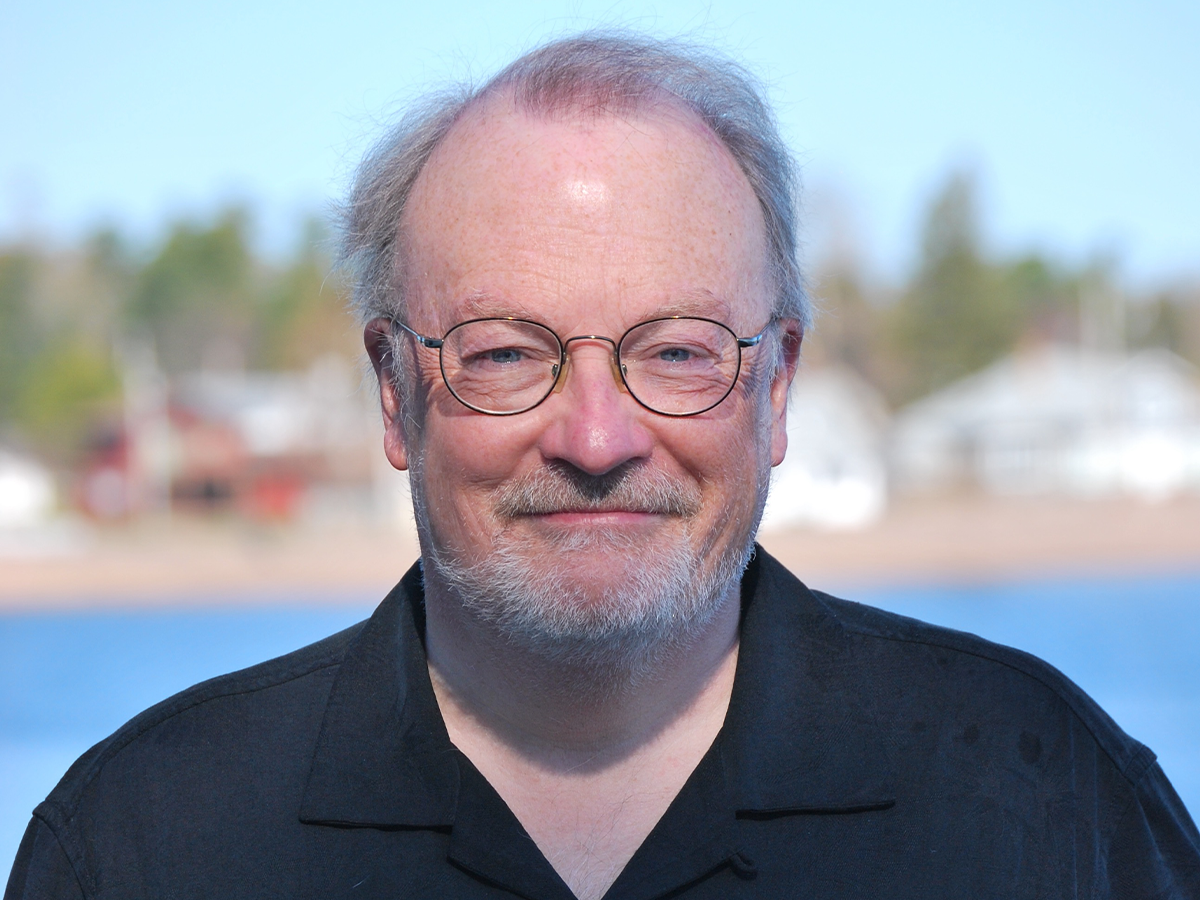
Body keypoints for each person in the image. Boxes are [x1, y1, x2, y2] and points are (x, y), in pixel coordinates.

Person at [6, 33, 1199, 900]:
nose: (594, 438)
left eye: (677, 352)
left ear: (777, 389)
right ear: (394, 391)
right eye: (504, 353)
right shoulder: (144, 843)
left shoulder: (1050, 806)